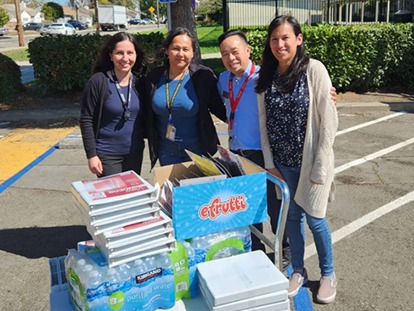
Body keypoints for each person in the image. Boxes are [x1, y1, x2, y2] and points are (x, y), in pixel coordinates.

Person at [256, 15, 338, 304]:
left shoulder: (314, 70)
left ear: (299, 39)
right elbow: (263, 124)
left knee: (316, 220)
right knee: (292, 218)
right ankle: (299, 270)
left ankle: (328, 274)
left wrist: (321, 164)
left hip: (312, 161)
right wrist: (269, 162)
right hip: (282, 163)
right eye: (275, 38)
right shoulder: (266, 76)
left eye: (286, 37)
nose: (280, 44)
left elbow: (328, 121)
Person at [217, 29, 290, 258]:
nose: (231, 58)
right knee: (247, 206)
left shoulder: (265, 77)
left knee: (273, 205)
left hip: (263, 154)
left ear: (248, 50)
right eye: (225, 54)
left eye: (235, 52)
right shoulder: (223, 79)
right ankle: (256, 249)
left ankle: (285, 251)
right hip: (237, 154)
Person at [146, 27, 227, 168]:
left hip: (197, 151)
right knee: (174, 190)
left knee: (197, 190)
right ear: (167, 50)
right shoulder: (154, 77)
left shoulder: (202, 76)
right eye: (176, 48)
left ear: (192, 52)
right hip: (166, 152)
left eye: (186, 49)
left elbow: (218, 107)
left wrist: (238, 123)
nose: (180, 54)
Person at [80, 32, 149, 177]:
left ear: (136, 55)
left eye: (130, 53)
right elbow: (86, 119)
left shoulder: (140, 83)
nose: (125, 58)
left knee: (131, 197)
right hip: (107, 154)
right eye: (119, 53)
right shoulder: (98, 81)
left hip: (134, 153)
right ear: (110, 56)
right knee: (115, 196)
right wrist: (91, 155)